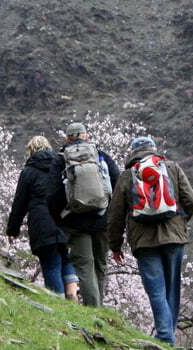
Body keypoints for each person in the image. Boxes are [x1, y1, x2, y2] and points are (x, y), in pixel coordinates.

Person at [106, 137, 193, 347]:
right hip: (174, 237)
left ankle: (165, 336)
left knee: (155, 290)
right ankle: (168, 337)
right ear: (154, 150)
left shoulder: (128, 176)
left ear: (132, 153)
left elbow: (115, 215)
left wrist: (115, 245)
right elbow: (191, 200)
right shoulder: (172, 168)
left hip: (144, 242)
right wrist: (181, 220)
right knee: (172, 288)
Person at [53, 122, 120, 307]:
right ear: (86, 136)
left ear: (67, 139)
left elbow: (52, 193)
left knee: (85, 266)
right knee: (100, 264)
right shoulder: (101, 156)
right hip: (102, 219)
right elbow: (118, 183)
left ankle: (94, 309)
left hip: (75, 222)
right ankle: (99, 307)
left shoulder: (60, 159)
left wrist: (61, 217)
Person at [5, 136, 80, 297]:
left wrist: (13, 229)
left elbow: (20, 203)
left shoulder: (29, 172)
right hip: (64, 219)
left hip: (41, 223)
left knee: (51, 262)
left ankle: (58, 301)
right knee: (65, 257)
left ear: (31, 151)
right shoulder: (61, 165)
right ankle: (72, 292)